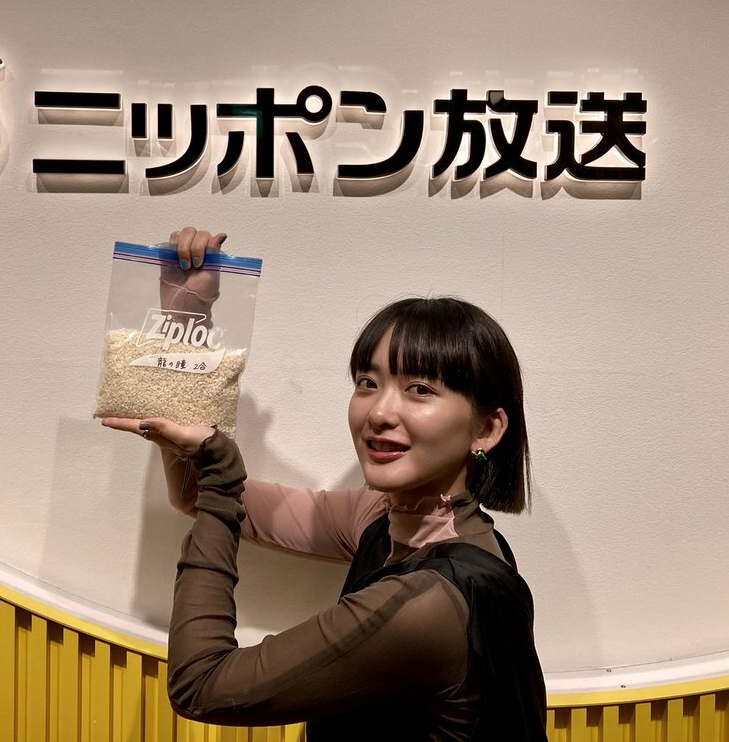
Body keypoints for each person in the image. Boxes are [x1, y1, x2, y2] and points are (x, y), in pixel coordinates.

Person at [103, 227, 547, 741]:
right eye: (368, 383)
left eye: (420, 389)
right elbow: (194, 493)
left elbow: (201, 685)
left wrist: (222, 475)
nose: (379, 412)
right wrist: (186, 315)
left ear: (487, 429)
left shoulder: (433, 602)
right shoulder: (382, 519)